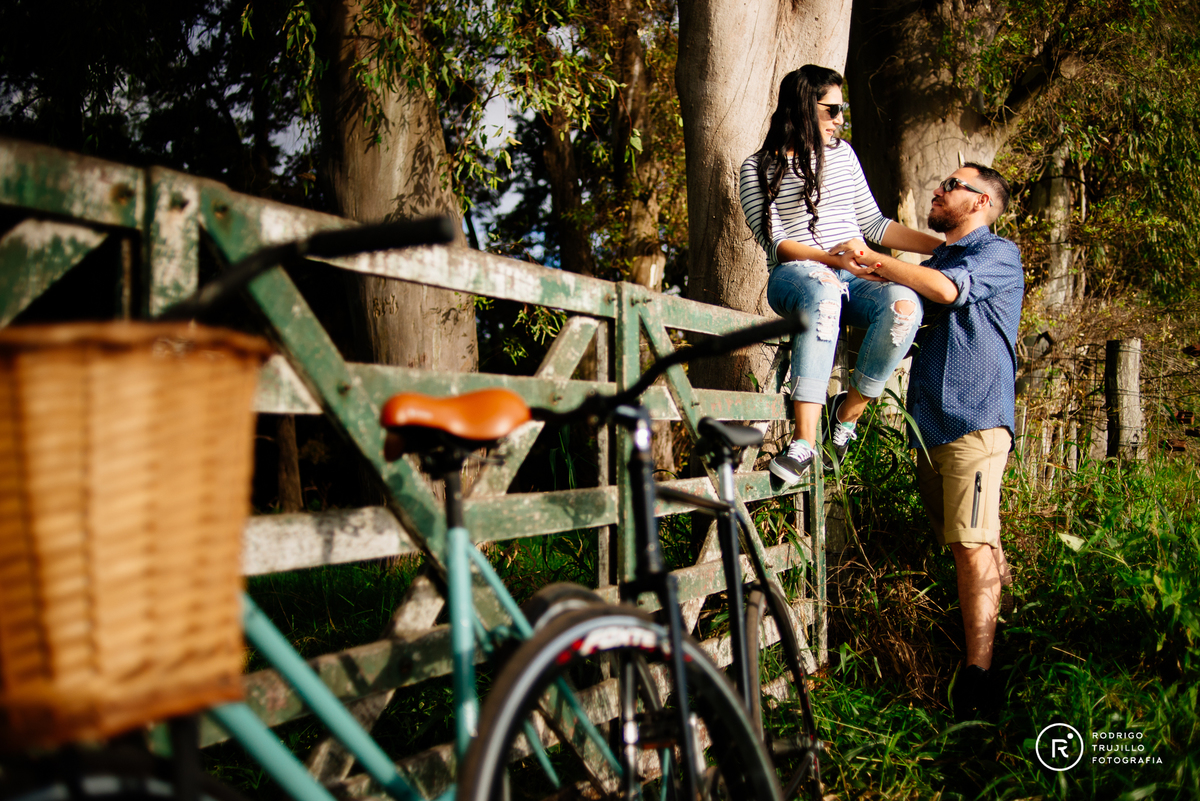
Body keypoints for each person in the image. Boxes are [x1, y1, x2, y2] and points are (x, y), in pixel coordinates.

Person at [844, 163, 1023, 721]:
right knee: (974, 541)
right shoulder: (937, 259)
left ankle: (978, 678)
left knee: (971, 543)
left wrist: (874, 258)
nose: (939, 190)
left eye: (953, 185)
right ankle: (1015, 630)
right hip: (930, 428)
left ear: (982, 202)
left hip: (976, 420)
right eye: (942, 183)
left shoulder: (997, 253)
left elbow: (948, 291)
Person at [739, 65, 944, 484]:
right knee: (825, 290)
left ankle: (845, 418)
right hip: (798, 276)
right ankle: (804, 443)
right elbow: (775, 245)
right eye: (831, 109)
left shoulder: (843, 155)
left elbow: (875, 225)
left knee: (905, 305)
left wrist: (942, 248)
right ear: (803, 106)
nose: (839, 118)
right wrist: (833, 261)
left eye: (842, 108)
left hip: (854, 275)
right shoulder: (758, 167)